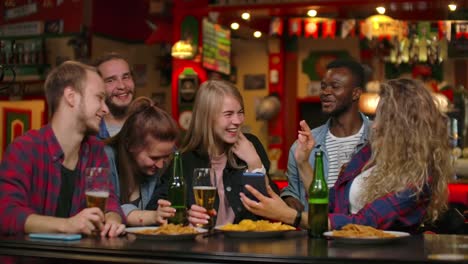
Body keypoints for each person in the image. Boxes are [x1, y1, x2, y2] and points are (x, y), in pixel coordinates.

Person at [240, 78, 452, 232]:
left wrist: (289, 216)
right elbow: (331, 202)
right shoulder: (370, 154)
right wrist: (303, 162)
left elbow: (364, 222)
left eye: (382, 119)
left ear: (404, 126)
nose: (375, 125)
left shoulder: (418, 178)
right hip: (344, 253)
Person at [0, 61, 125, 236]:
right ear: (71, 96)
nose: (105, 109)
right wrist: (68, 225)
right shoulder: (25, 149)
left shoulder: (95, 150)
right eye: (99, 97)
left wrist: (113, 219)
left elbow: (109, 200)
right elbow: (6, 214)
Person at [175, 80, 279, 227]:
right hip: (200, 246)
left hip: (244, 245)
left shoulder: (251, 145)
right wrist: (185, 216)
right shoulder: (185, 159)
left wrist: (254, 162)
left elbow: (272, 206)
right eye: (228, 114)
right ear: (207, 117)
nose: (237, 121)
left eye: (240, 112)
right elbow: (160, 208)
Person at [281, 59, 372, 212]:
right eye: (323, 87)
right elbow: (293, 190)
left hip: (364, 232)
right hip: (317, 231)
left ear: (356, 93)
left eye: (335, 87)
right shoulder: (303, 146)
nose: (325, 92)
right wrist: (288, 199)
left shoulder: (380, 138)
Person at [104, 97, 180, 226]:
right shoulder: (106, 157)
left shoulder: (160, 168)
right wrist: (152, 216)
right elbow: (105, 209)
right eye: (154, 158)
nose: (161, 165)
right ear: (131, 145)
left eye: (166, 156)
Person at [93, 52, 135, 140]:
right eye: (111, 80)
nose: (122, 86)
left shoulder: (154, 125)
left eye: (126, 77)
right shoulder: (90, 135)